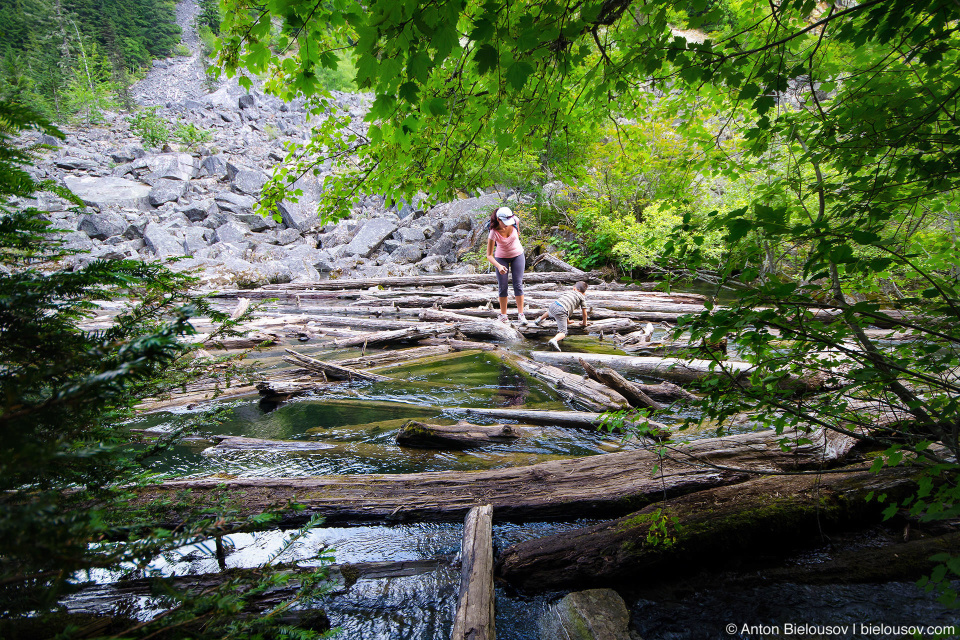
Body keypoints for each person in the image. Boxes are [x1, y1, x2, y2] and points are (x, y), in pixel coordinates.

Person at [486, 206, 527, 324]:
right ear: (499, 219)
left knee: (518, 284)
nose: (507, 225)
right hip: (501, 258)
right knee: (503, 287)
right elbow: (489, 255)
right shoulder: (493, 232)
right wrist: (499, 266)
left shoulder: (515, 221)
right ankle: (503, 315)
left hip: (518, 254)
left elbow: (517, 234)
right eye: (505, 222)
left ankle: (521, 315)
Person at [530, 281, 589, 351]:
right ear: (584, 293)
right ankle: (554, 340)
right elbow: (584, 313)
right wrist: (584, 323)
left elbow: (565, 306)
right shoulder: (582, 297)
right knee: (563, 332)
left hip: (553, 305)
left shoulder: (568, 292)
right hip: (562, 310)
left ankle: (539, 319)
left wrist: (568, 321)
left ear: (574, 288)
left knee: (550, 312)